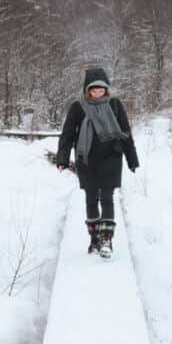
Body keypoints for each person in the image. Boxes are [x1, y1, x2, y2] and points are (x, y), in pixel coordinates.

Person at [54, 67, 139, 255]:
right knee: (91, 199)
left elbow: (126, 133)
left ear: (106, 89)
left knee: (107, 198)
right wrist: (62, 158)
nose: (98, 93)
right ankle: (94, 240)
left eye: (101, 90)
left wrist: (131, 159)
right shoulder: (78, 107)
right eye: (94, 90)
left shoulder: (115, 105)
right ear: (87, 90)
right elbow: (67, 134)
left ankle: (107, 241)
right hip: (87, 160)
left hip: (111, 158)